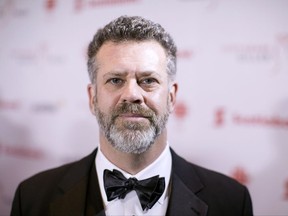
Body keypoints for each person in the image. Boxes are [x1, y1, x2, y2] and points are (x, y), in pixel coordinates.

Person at [10, 15, 253, 216]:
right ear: (92, 98)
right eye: (115, 80)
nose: (132, 95)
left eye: (148, 80)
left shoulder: (232, 202)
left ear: (171, 97)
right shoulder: (32, 198)